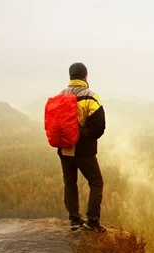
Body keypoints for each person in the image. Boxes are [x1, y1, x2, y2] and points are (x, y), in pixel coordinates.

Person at [57, 62, 107, 232]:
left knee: (70, 182)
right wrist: (82, 135)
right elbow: (99, 126)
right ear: (85, 76)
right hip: (83, 150)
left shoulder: (61, 95)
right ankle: (92, 221)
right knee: (96, 182)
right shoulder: (90, 96)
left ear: (70, 76)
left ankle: (74, 219)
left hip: (64, 147)